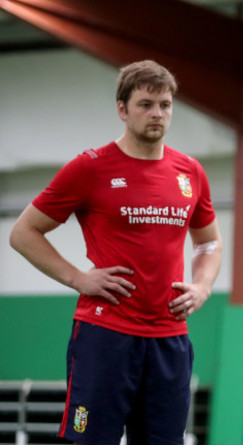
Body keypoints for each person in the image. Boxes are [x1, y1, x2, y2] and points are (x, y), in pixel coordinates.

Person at [9, 60, 222, 445]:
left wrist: (203, 286)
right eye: (145, 104)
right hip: (106, 335)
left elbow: (208, 242)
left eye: (165, 104)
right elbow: (24, 232)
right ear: (122, 109)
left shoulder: (190, 172)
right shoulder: (89, 168)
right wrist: (77, 277)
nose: (157, 113)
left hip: (169, 338)